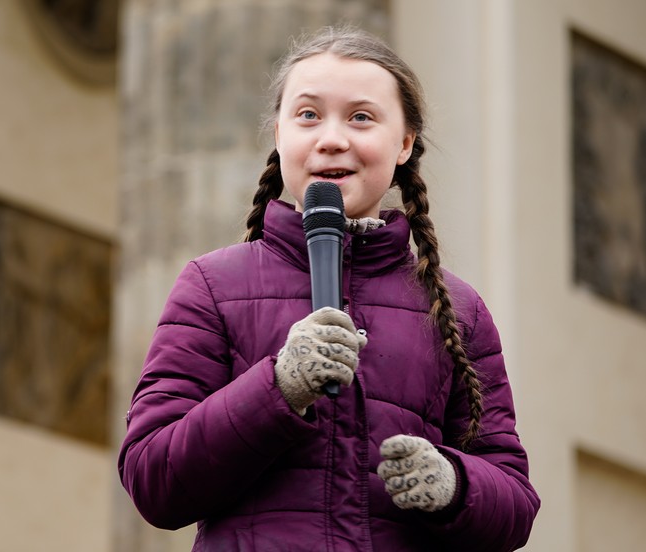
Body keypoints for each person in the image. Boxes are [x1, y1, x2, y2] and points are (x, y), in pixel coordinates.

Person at [118, 26, 540, 551]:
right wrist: (279, 386)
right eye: (309, 115)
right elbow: (152, 481)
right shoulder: (212, 285)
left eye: (361, 117)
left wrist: (453, 483)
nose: (332, 137)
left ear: (405, 143)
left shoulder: (458, 310)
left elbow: (516, 507)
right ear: (279, 135)